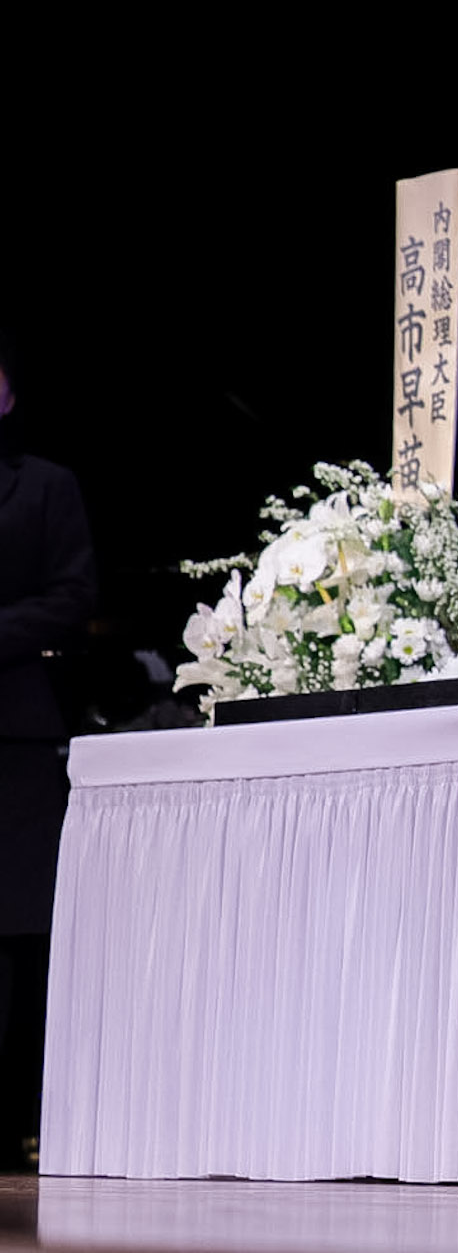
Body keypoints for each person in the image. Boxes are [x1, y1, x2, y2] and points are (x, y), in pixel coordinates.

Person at [0, 333, 99, 1174]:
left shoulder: (44, 486)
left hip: (15, 732)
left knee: (17, 935)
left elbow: (73, 597)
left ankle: (13, 1121)